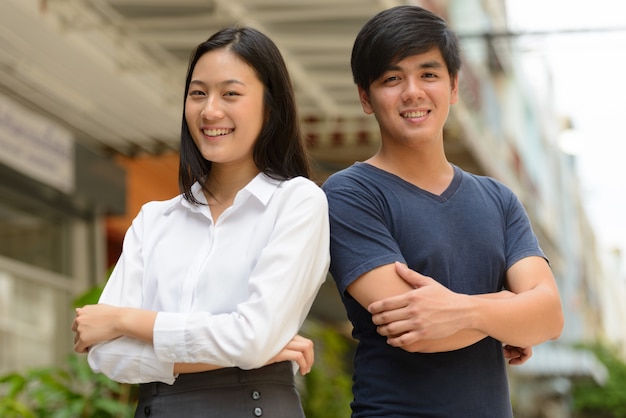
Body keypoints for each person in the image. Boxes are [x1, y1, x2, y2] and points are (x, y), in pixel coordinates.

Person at [72, 26, 330, 418]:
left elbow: (251, 339)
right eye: (198, 93)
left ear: (270, 107)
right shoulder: (155, 220)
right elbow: (106, 356)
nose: (210, 110)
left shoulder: (296, 202)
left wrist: (126, 319)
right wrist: (250, 351)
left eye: (230, 93)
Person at [322, 5, 564, 417]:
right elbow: (419, 329)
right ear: (366, 97)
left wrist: (468, 312)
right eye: (392, 79)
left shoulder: (498, 198)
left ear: (453, 87)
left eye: (428, 74)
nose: (412, 91)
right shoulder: (348, 194)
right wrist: (508, 313)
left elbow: (550, 317)